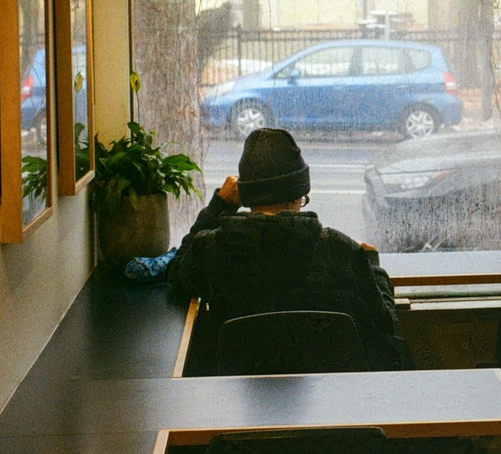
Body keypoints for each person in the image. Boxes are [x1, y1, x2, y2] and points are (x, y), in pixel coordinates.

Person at [167, 128, 407, 371]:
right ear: (298, 195)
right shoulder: (341, 250)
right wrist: (371, 263)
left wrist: (220, 205)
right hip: (331, 398)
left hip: (240, 396)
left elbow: (176, 272)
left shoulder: (212, 248)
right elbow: (386, 322)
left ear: (246, 196)